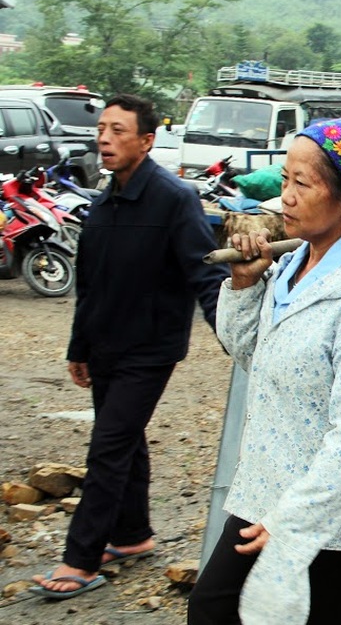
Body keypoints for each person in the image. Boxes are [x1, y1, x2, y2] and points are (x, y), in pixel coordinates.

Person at [188, 116, 341, 625]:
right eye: (284, 180)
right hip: (268, 490)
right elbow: (257, 359)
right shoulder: (292, 264)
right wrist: (245, 286)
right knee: (213, 609)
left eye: (302, 184)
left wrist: (297, 518)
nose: (285, 197)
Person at [31, 94, 227, 599]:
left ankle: (80, 560)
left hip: (150, 349)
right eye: (102, 129)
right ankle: (133, 535)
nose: (105, 139)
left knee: (108, 447)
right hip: (106, 348)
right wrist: (79, 347)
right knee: (124, 440)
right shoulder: (103, 201)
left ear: (146, 140)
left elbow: (203, 268)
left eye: (119, 131)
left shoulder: (173, 198)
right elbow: (89, 283)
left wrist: (232, 330)